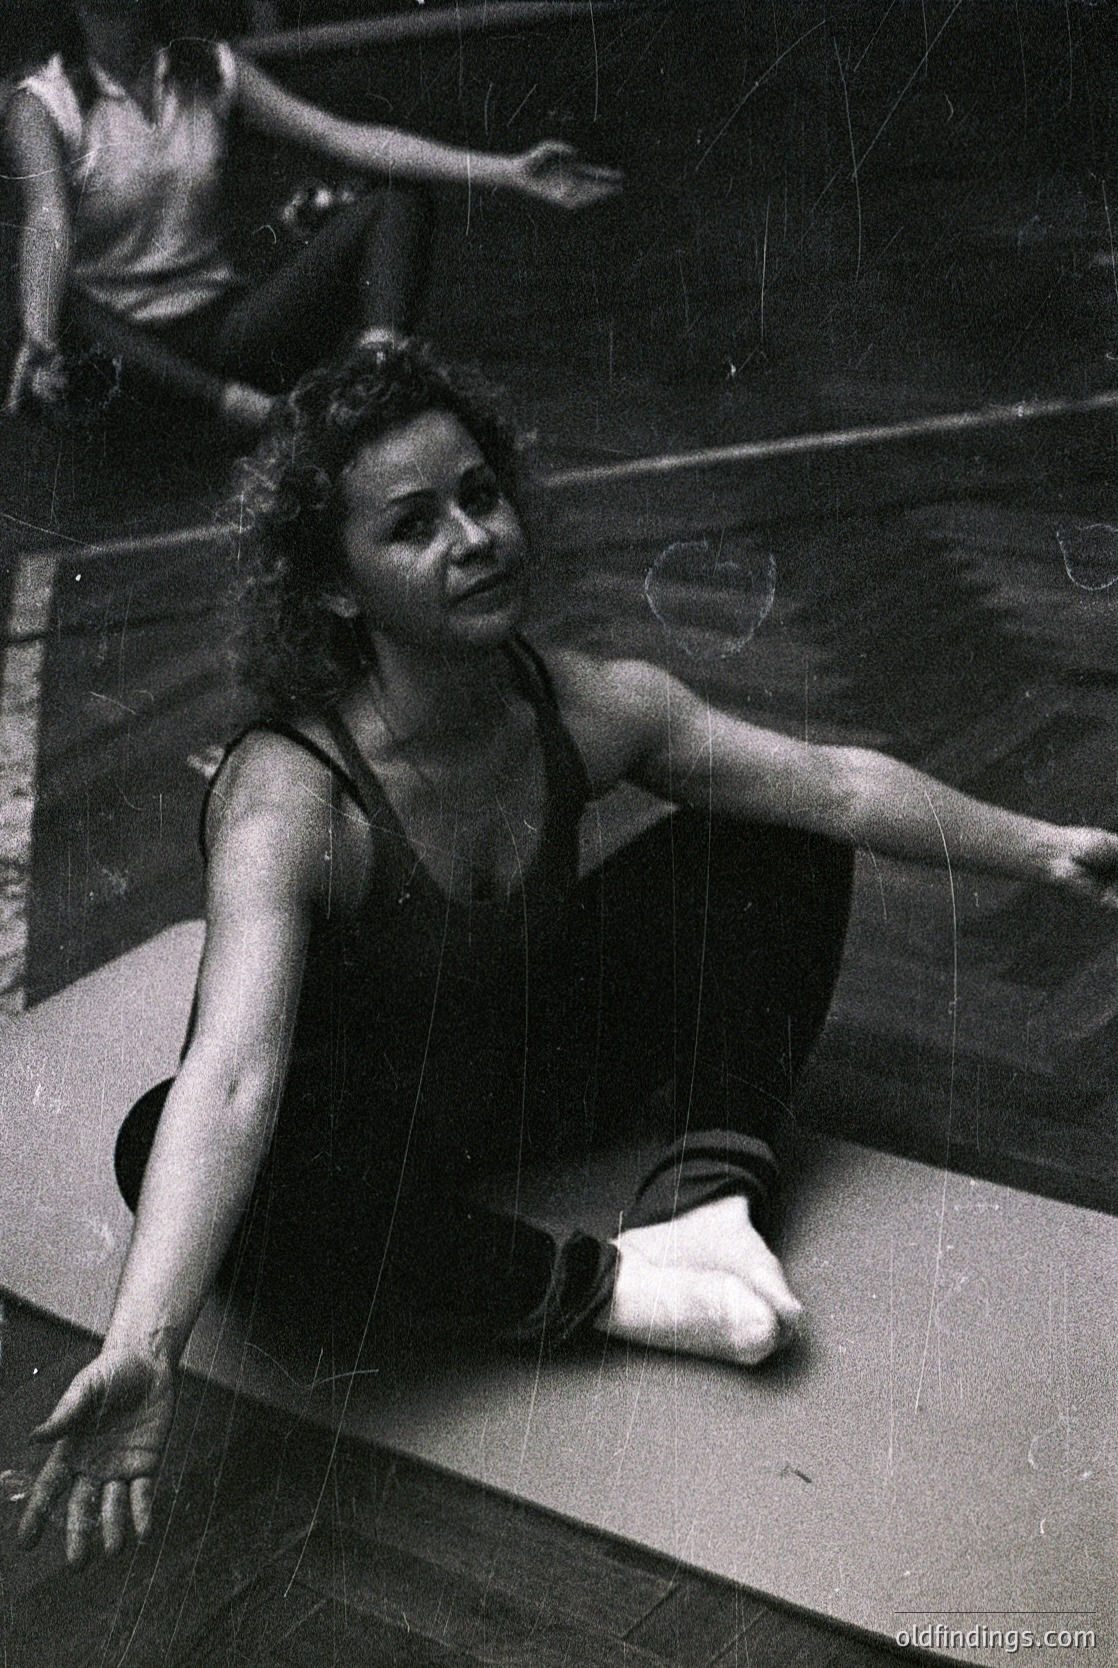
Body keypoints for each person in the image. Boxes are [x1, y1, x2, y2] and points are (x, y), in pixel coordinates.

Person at [17, 331, 1118, 1567]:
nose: (472, 538)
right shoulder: (293, 801)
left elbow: (834, 787)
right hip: (370, 1153)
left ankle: (708, 1207)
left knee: (770, 837)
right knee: (156, 1133)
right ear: (333, 587)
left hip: (522, 1068)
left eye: (479, 496)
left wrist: (1048, 848)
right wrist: (141, 1343)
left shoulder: (585, 702)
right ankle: (605, 1292)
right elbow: (232, 1081)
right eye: (412, 526)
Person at [2, 0, 620, 426]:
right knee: (68, 306)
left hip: (222, 328)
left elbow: (343, 136)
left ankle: (380, 377)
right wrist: (38, 334)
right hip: (130, 361)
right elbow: (46, 223)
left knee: (393, 199)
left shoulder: (206, 68)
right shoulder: (44, 103)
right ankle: (254, 414)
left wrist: (508, 171)